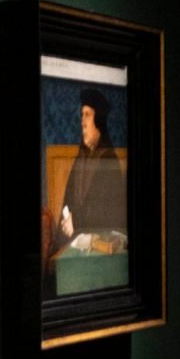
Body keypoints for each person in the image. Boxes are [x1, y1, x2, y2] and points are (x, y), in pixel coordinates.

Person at [52, 87, 128, 256]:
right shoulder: (81, 158)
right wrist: (65, 226)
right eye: (81, 115)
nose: (82, 122)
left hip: (98, 245)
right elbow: (68, 200)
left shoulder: (109, 160)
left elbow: (107, 213)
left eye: (87, 115)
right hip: (74, 238)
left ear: (99, 122)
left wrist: (77, 221)